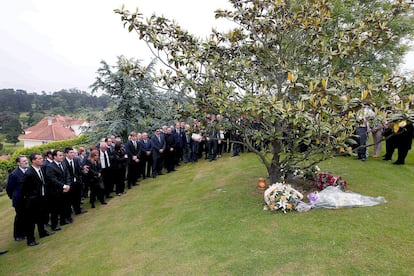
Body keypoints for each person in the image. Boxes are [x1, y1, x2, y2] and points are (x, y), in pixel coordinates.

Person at [22, 153, 54, 246]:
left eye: (41, 158)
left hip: (42, 198)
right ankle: (30, 240)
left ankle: (42, 232)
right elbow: (25, 189)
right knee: (31, 221)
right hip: (32, 201)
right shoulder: (29, 173)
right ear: (33, 161)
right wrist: (32, 198)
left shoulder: (42, 169)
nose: (42, 160)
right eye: (39, 159)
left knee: (41, 217)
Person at [44, 150, 71, 231]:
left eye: (62, 155)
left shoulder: (63, 163)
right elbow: (53, 180)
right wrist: (63, 186)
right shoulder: (50, 167)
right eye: (60, 155)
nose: (62, 157)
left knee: (64, 206)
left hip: (65, 189)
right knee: (55, 209)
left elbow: (67, 175)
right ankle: (54, 225)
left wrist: (68, 185)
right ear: (54, 157)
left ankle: (63, 220)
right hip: (55, 191)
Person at [6, 155, 29, 242]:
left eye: (26, 160)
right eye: (23, 161)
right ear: (18, 163)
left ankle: (26, 232)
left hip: (28, 198)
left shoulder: (29, 170)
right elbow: (9, 188)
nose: (26, 162)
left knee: (27, 216)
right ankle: (17, 235)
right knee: (20, 217)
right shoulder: (14, 174)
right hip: (19, 200)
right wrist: (13, 197)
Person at [62, 147, 87, 215]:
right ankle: (69, 212)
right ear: (66, 154)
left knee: (78, 196)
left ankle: (78, 210)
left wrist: (83, 171)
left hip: (77, 181)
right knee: (70, 198)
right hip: (69, 183)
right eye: (71, 152)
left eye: (73, 152)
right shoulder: (63, 162)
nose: (73, 154)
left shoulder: (76, 160)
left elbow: (78, 170)